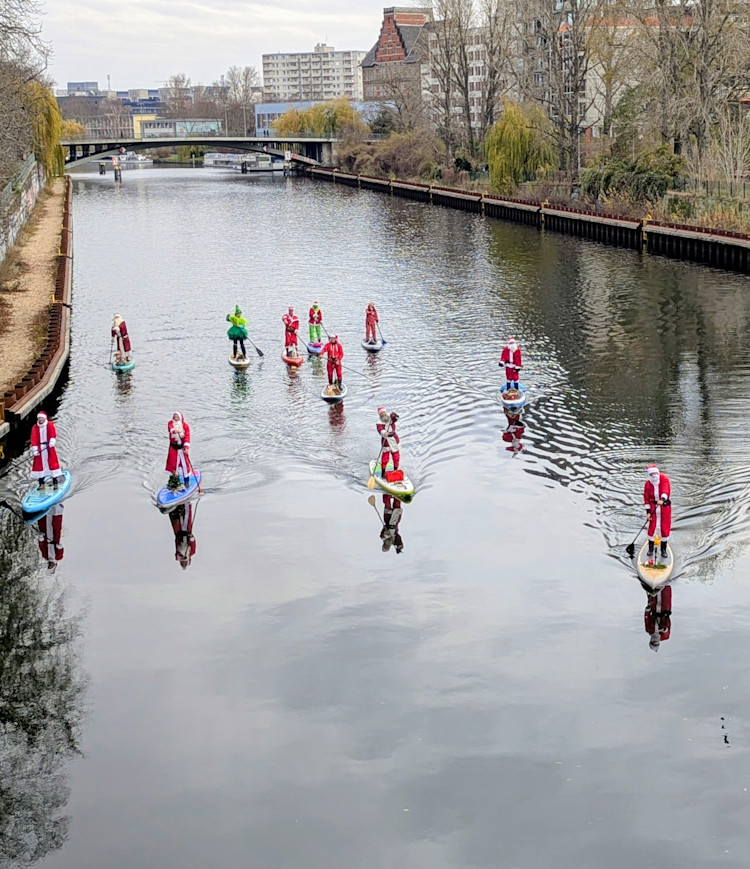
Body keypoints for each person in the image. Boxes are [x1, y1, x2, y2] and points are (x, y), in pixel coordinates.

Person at [644, 464, 671, 559]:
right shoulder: (648, 484)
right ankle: (650, 548)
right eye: (652, 474)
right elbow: (646, 499)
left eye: (655, 473)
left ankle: (663, 549)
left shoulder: (663, 478)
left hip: (664, 508)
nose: (654, 476)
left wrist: (662, 499)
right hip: (653, 508)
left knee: (664, 527)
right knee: (652, 527)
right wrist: (648, 512)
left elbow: (665, 489)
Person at [30, 411, 63, 488]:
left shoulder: (50, 425)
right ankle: (41, 483)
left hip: (49, 448)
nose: (41, 420)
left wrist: (52, 441)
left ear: (45, 418)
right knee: (39, 466)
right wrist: (35, 449)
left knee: (52, 464)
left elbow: (53, 433)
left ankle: (55, 482)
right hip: (40, 449)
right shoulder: (35, 427)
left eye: (42, 418)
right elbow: (33, 438)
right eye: (39, 418)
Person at [37, 503, 64, 572]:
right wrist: (58, 546)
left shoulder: (45, 556)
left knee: (43, 523)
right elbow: (60, 550)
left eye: (49, 566)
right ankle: (55, 505)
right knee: (54, 523)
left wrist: (41, 539)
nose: (50, 565)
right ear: (54, 565)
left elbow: (42, 546)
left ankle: (43, 506)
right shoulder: (58, 557)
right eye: (51, 566)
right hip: (54, 537)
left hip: (46, 537)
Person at [644, 584, 672, 652]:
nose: (655, 641)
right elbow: (667, 628)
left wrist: (647, 610)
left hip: (654, 606)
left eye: (653, 642)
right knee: (665, 590)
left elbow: (646, 619)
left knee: (652, 592)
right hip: (664, 607)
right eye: (656, 643)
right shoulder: (665, 636)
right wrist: (663, 629)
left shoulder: (649, 630)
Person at [166, 412, 192, 481]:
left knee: (185, 464)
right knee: (173, 464)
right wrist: (174, 431)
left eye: (177, 417)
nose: (175, 418)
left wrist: (186, 447)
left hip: (182, 448)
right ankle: (174, 481)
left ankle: (186, 480)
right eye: (174, 417)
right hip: (173, 449)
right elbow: (170, 428)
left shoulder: (185, 426)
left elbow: (187, 437)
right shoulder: (171, 423)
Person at [170, 502, 197, 570]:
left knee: (176, 518)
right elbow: (193, 543)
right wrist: (191, 537)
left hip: (178, 532)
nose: (183, 561)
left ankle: (174, 506)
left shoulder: (178, 555)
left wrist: (181, 557)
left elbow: (177, 556)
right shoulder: (192, 552)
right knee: (187, 516)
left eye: (182, 562)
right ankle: (186, 503)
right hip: (186, 531)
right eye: (184, 562)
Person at [376, 406, 400, 472]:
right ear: (379, 414)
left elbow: (396, 418)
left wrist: (394, 414)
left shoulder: (390, 417)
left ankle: (395, 470)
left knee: (396, 457)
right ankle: (383, 472)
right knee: (385, 458)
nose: (383, 414)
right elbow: (380, 429)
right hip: (386, 441)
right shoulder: (379, 422)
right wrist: (384, 433)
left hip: (394, 439)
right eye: (381, 413)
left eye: (383, 412)